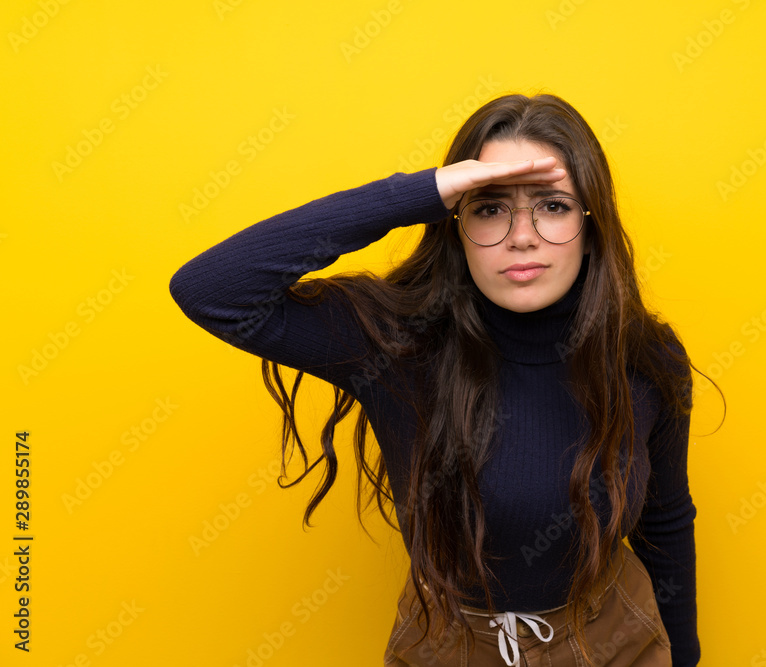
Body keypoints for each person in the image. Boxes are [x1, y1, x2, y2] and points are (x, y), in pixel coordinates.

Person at [169, 93, 721, 666]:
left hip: (615, 643)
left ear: (592, 222)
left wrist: (685, 658)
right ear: (454, 224)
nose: (522, 236)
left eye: (553, 206)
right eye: (488, 208)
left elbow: (665, 521)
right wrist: (420, 193)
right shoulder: (395, 343)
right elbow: (212, 290)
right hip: (449, 645)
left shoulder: (646, 355)